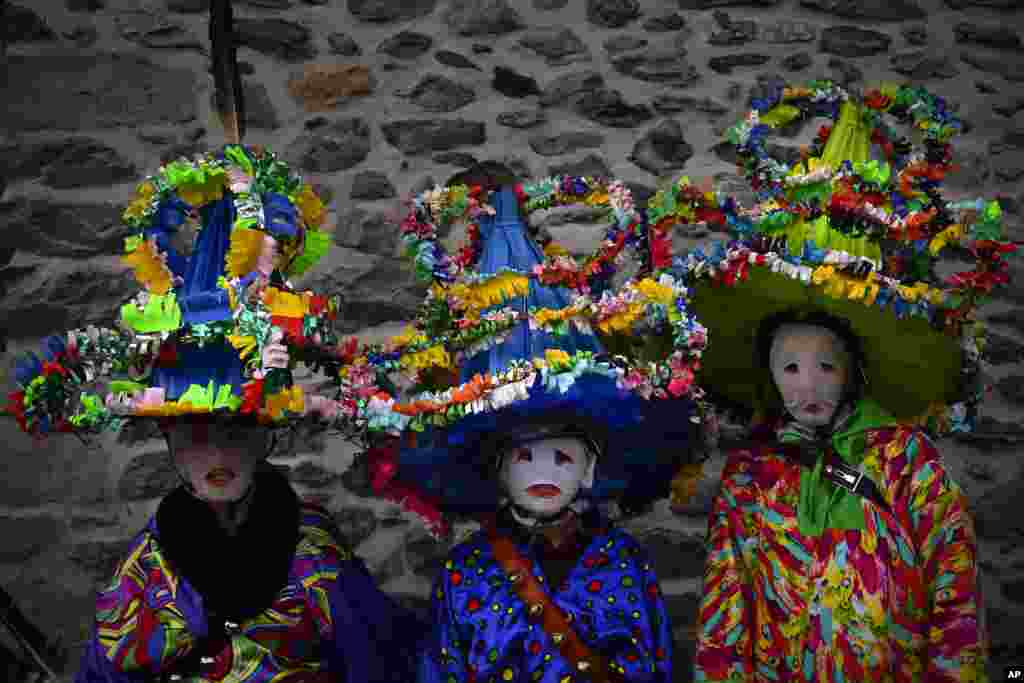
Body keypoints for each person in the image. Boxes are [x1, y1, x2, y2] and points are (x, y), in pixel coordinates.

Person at [5, 137, 425, 680]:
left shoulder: (315, 553)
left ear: (265, 435)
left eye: (233, 429)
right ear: (169, 443)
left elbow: (379, 664)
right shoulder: (147, 569)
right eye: (193, 432)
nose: (216, 453)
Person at [665, 80, 1012, 680]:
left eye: (826, 365)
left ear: (852, 369)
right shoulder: (750, 476)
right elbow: (725, 616)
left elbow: (955, 598)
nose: (809, 385)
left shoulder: (908, 460)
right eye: (790, 367)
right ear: (769, 376)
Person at [336, 180, 713, 682]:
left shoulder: (628, 565)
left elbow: (658, 667)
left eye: (562, 457)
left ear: (590, 469)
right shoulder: (463, 572)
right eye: (523, 457)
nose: (543, 471)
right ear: (496, 469)